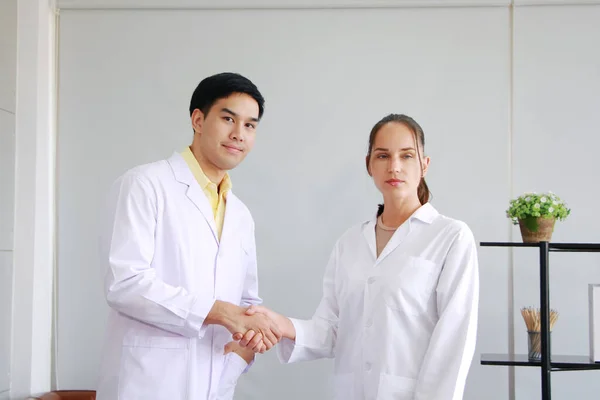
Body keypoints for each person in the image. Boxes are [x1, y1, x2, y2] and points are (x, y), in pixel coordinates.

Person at [240, 114, 479, 400]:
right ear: (369, 165)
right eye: (383, 156)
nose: (394, 166)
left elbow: (454, 340)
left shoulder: (450, 237)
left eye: (407, 156)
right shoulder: (350, 243)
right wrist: (282, 325)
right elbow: (332, 330)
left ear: (424, 165)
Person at [96, 72, 280, 400]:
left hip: (216, 382)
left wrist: (246, 347)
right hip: (148, 384)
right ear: (198, 119)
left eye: (250, 125)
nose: (239, 134)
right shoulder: (145, 185)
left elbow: (247, 301)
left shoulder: (239, 214)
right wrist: (220, 311)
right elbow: (124, 284)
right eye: (228, 119)